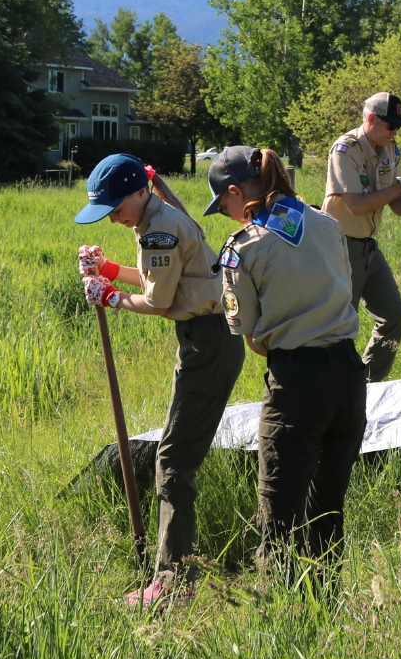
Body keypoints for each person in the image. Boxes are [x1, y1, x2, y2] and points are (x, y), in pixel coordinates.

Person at [74, 154, 244, 608]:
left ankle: (173, 584)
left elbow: (160, 302)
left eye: (115, 207)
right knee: (174, 455)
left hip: (207, 344)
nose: (113, 217)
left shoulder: (158, 230)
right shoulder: (155, 219)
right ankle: (173, 575)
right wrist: (109, 271)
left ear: (138, 191)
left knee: (172, 461)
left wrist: (109, 297)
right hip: (207, 339)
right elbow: (160, 281)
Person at [208, 146, 366, 567]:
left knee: (277, 519)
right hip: (349, 379)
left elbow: (253, 337)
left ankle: (281, 621)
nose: (226, 214)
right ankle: (325, 609)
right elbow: (346, 291)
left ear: (237, 192)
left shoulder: (243, 247)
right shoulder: (328, 224)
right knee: (328, 509)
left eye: (223, 204)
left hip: (297, 385)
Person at [322, 92, 401, 382]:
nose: (395, 132)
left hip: (368, 247)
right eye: (391, 126)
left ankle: (366, 383)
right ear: (371, 119)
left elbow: (392, 200)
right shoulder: (345, 150)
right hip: (339, 247)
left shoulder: (390, 149)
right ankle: (333, 391)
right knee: (341, 329)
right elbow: (355, 205)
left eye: (398, 127)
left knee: (395, 318)